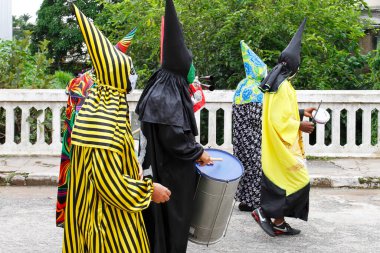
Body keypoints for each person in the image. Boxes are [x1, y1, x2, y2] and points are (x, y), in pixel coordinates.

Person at [62, 5, 170, 252]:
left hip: (97, 217)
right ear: (117, 75)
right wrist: (148, 191)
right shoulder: (102, 120)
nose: (132, 77)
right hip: (105, 226)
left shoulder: (102, 108)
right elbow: (108, 183)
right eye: (129, 71)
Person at [135, 0, 211, 252]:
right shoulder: (165, 91)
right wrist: (198, 152)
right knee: (168, 227)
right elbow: (173, 136)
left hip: (161, 172)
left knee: (161, 226)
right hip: (168, 175)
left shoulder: (161, 86)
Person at [56, 28, 137, 228]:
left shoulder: (78, 80)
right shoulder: (107, 87)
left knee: (76, 191)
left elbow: (70, 111)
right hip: (94, 144)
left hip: (73, 142)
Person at [252, 18, 316, 237]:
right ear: (294, 67)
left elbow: (279, 113)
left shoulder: (275, 83)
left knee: (280, 183)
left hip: (274, 142)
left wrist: (300, 113)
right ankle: (262, 211)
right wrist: (300, 125)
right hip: (281, 144)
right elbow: (280, 120)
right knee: (300, 182)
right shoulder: (283, 86)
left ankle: (278, 222)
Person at [233, 41, 267, 212]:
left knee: (243, 166)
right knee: (256, 167)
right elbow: (257, 118)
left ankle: (244, 200)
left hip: (239, 136)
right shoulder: (256, 89)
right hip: (253, 136)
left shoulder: (241, 86)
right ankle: (254, 201)